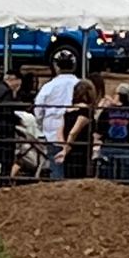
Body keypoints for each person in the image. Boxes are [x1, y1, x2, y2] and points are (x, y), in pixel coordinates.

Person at [33, 50, 80, 180]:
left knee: (56, 164)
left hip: (53, 131)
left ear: (56, 66)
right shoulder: (80, 84)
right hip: (76, 130)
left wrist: (40, 124)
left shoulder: (49, 86)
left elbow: (38, 108)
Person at [60, 78, 99, 179]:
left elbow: (61, 129)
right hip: (81, 150)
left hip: (70, 149)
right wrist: (66, 148)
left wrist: (64, 147)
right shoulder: (85, 111)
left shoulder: (68, 110)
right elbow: (74, 131)